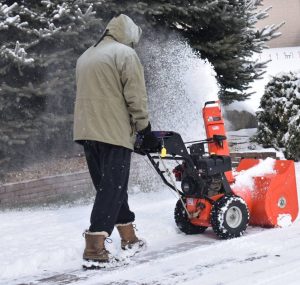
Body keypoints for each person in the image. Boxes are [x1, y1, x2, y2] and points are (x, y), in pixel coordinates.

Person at [73, 14, 157, 264]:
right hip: (113, 132)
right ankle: (94, 248)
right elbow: (136, 96)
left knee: (110, 186)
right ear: (130, 35)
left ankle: (129, 238)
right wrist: (144, 128)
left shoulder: (86, 56)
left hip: (87, 132)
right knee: (112, 187)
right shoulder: (125, 54)